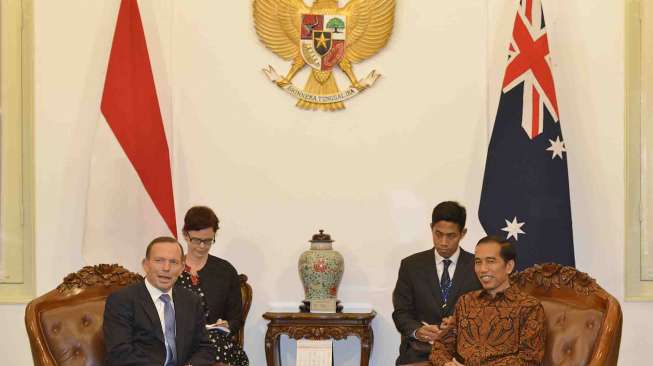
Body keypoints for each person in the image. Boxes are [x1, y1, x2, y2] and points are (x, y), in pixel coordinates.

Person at [430, 236, 547, 366]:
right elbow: (440, 346)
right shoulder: (466, 302)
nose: (483, 269)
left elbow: (529, 360)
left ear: (509, 266)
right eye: (478, 262)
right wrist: (446, 364)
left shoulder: (529, 307)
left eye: (490, 261)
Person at [392, 201, 482, 365]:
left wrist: (459, 324)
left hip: (464, 356)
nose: (443, 242)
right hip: (418, 353)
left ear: (463, 233)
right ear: (431, 228)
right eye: (438, 234)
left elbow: (487, 313)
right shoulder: (411, 266)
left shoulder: (478, 267)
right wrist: (417, 331)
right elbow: (401, 312)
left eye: (451, 236)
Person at [103, 236, 215, 366]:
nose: (166, 268)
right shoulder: (121, 300)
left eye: (173, 262)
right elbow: (120, 353)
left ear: (181, 268)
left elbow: (205, 347)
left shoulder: (191, 300)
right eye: (159, 260)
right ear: (146, 265)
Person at [176, 206, 249, 366]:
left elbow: (235, 318)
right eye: (196, 240)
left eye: (208, 240)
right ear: (185, 234)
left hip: (215, 342)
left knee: (213, 344)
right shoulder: (172, 269)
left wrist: (227, 325)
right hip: (177, 340)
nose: (202, 246)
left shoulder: (225, 271)